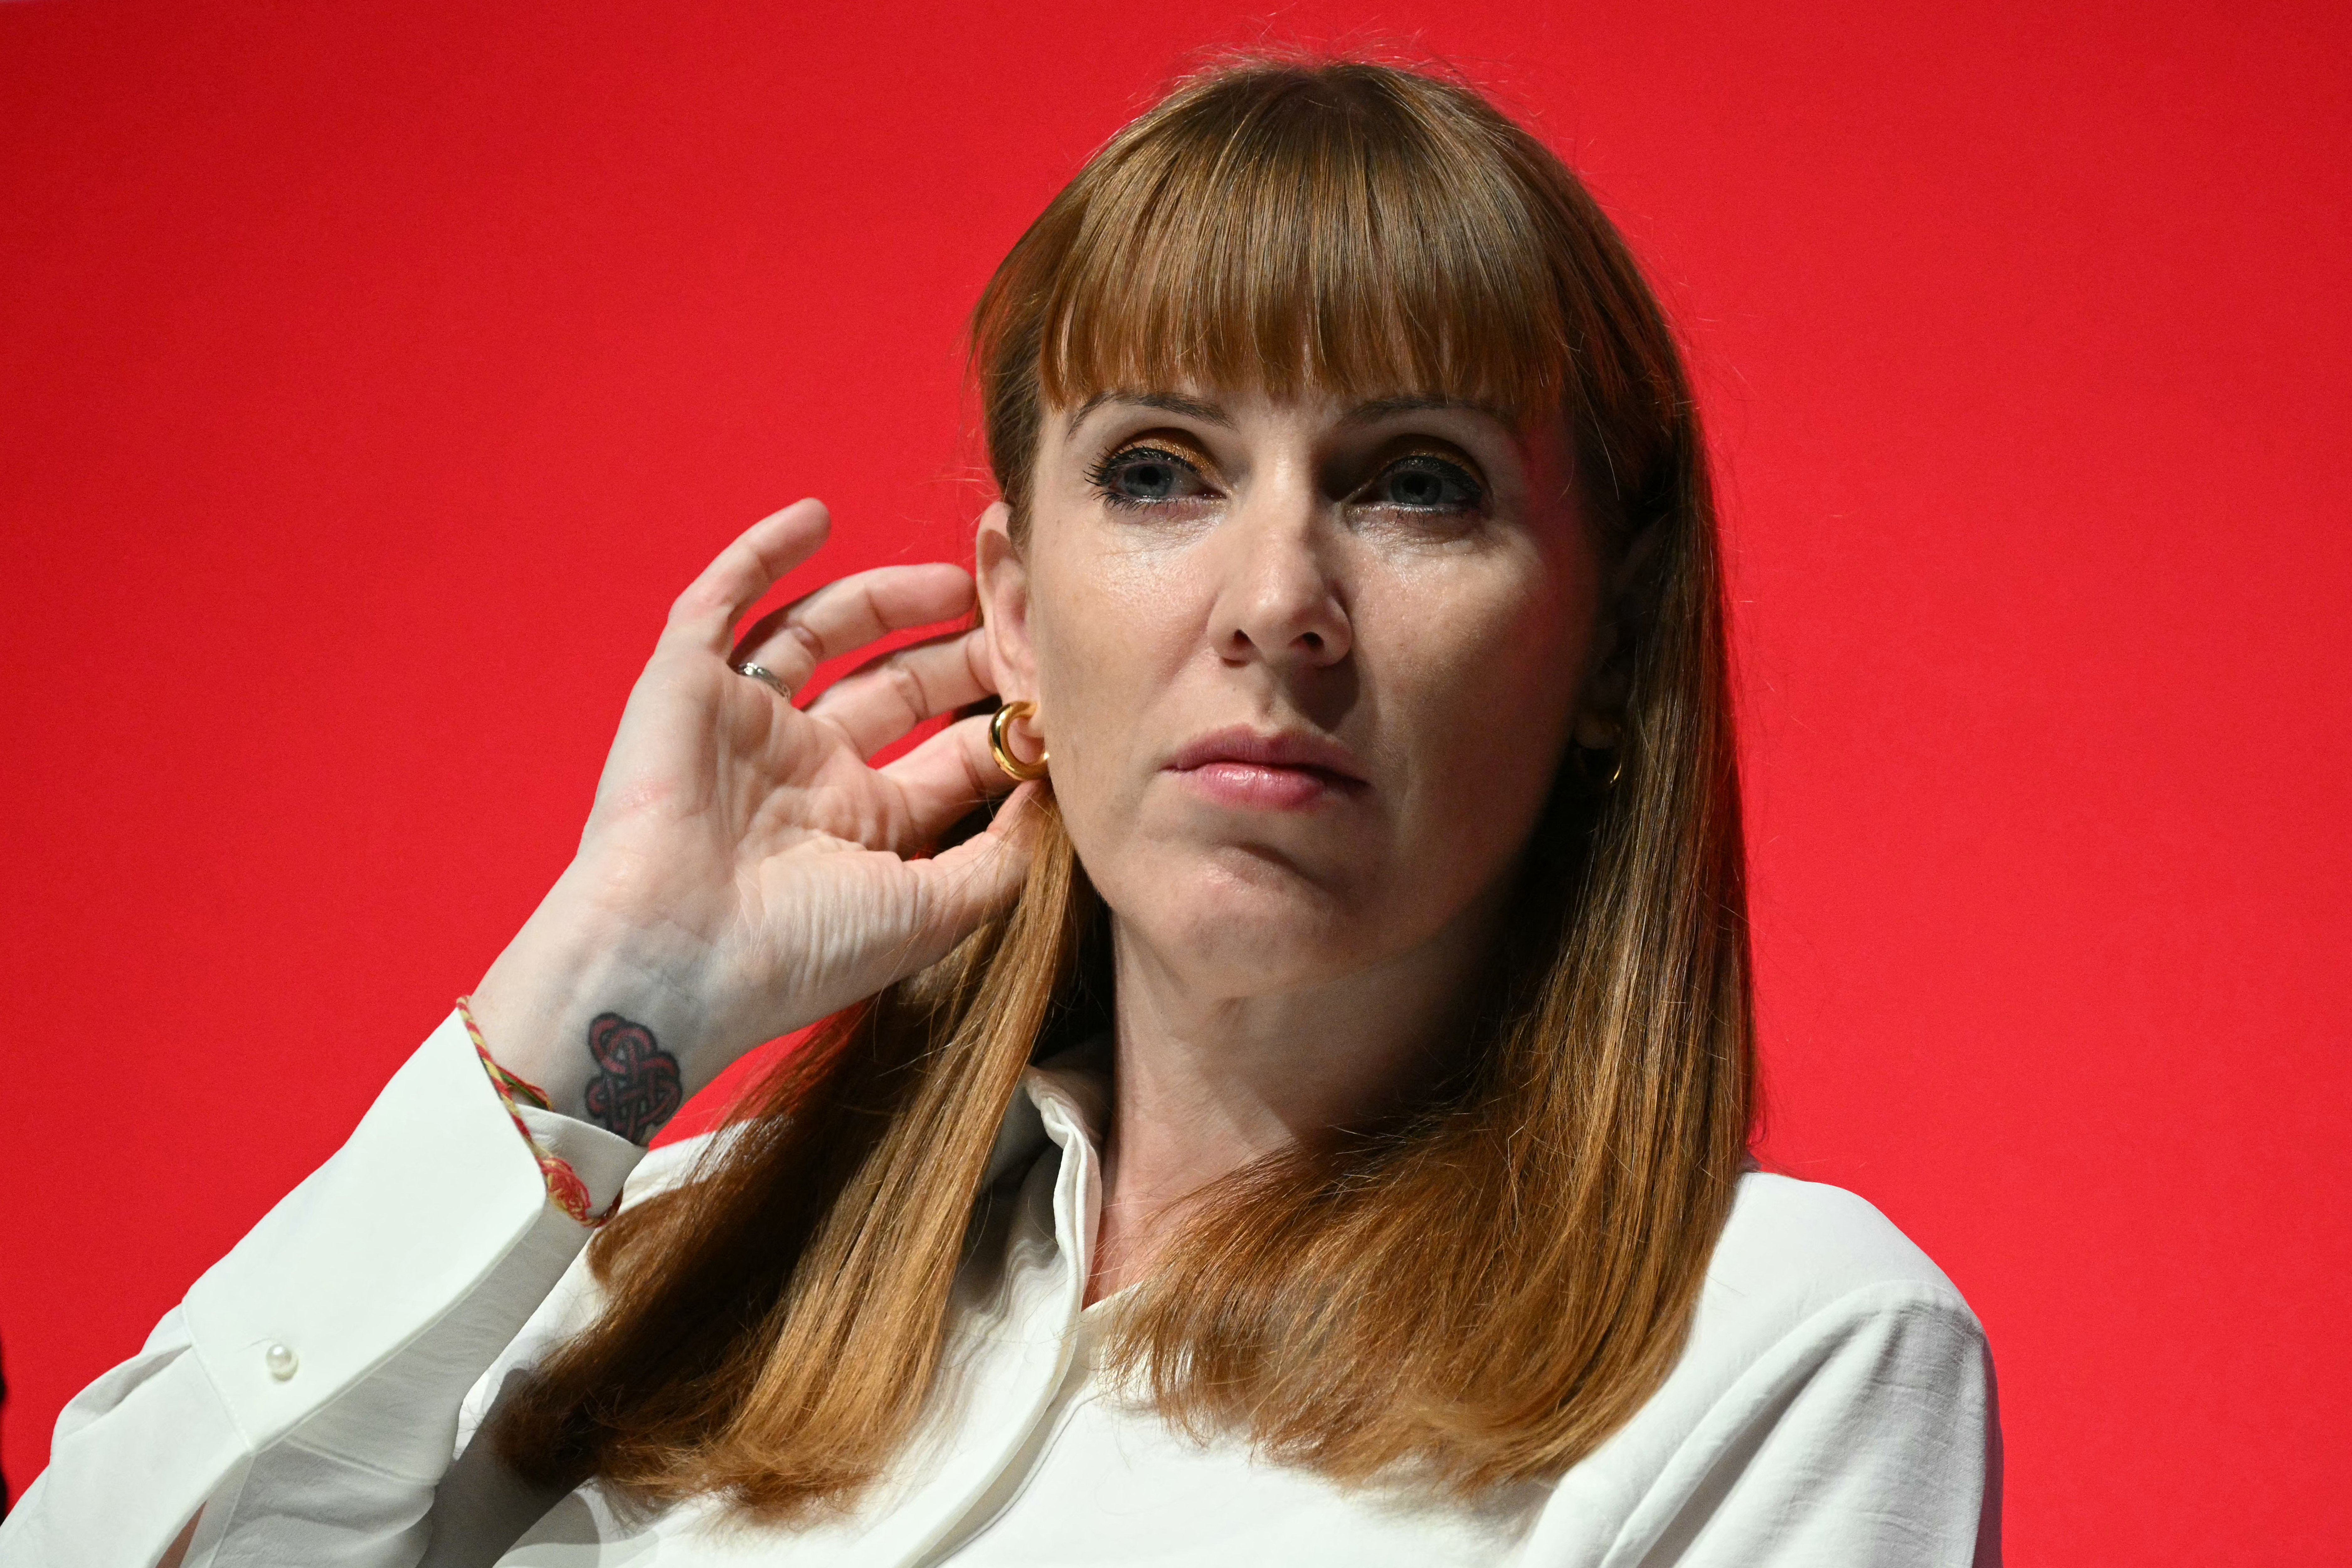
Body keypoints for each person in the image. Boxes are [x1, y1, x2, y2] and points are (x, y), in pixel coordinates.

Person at [1, 56, 2000, 1568]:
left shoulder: (1778, 1354)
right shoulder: (671, 1265)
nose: (1276, 603)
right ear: (1017, 619)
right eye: (1157, 471)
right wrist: (591, 1014)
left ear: (1610, 640)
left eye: (1416, 484)